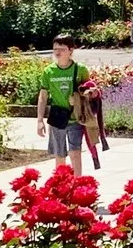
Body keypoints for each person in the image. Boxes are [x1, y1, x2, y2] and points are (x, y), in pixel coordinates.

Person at [34, 34, 98, 176]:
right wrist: (39, 120)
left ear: (71, 50)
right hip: (57, 118)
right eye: (55, 49)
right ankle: (61, 184)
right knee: (59, 155)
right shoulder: (49, 71)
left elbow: (89, 90)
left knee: (75, 152)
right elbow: (43, 96)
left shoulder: (80, 69)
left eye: (62, 49)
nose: (57, 52)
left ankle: (78, 183)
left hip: (75, 117)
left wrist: (82, 96)